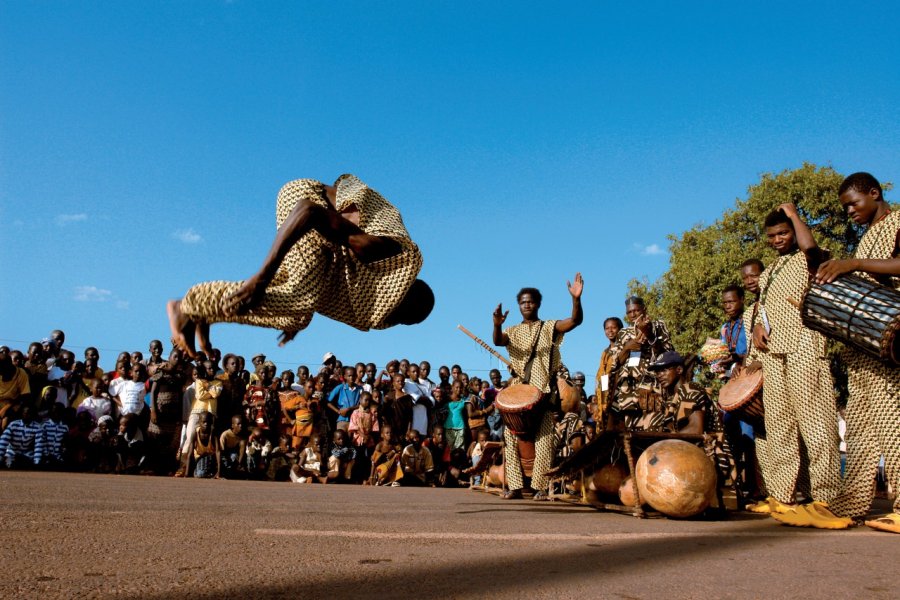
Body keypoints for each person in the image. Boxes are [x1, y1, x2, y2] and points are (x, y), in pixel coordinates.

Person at [166, 175, 434, 359]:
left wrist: (293, 306)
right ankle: (186, 306)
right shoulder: (376, 249)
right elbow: (308, 211)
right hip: (306, 200)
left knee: (296, 314)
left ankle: (203, 313)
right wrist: (262, 277)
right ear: (398, 291)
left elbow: (333, 282)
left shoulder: (368, 276)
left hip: (321, 230)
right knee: (298, 297)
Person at [774, 174, 900, 532]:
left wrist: (853, 264)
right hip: (864, 351)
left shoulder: (898, 223)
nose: (849, 211)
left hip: (891, 345)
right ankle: (849, 505)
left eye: (854, 203)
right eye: (845, 206)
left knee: (894, 425)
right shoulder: (866, 239)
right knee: (859, 431)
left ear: (875, 194)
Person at [750, 206, 841, 520]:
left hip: (804, 345)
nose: (778, 239)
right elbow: (763, 307)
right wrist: (759, 326)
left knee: (816, 425)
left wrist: (794, 214)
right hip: (773, 352)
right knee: (779, 427)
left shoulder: (809, 259)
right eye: (772, 235)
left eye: (783, 233)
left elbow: (811, 247)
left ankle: (827, 499)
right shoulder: (769, 271)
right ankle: (783, 496)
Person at [492, 274, 584, 500]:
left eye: (530, 301)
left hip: (541, 392)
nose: (526, 305)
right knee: (511, 436)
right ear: (519, 305)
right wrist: (496, 325)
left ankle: (540, 486)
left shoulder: (549, 327)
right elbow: (498, 341)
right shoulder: (512, 331)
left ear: (538, 304)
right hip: (517, 393)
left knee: (545, 439)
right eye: (523, 302)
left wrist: (576, 300)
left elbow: (574, 321)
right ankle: (514, 486)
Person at [608, 297, 674, 429]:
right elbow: (616, 363)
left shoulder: (658, 326)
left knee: (654, 430)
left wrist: (649, 335)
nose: (633, 315)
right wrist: (628, 347)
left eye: (636, 310)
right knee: (632, 434)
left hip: (652, 389)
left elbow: (668, 354)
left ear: (644, 309)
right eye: (629, 312)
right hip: (629, 392)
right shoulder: (623, 333)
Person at [593, 317, 623, 429]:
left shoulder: (625, 348)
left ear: (620, 329)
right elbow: (602, 377)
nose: (610, 331)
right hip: (606, 397)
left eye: (614, 327)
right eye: (607, 328)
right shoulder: (605, 353)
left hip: (620, 395)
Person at [0, 346, 32, 431]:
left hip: (13, 404)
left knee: (5, 423)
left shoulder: (21, 374)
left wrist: (7, 408)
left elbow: (25, 395)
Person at [328, 366, 361, 432]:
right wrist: (338, 411)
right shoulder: (340, 387)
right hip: (342, 419)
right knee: (341, 438)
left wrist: (349, 409)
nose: (351, 378)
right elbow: (328, 402)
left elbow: (362, 404)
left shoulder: (359, 389)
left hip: (355, 420)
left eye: (353, 375)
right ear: (345, 376)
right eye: (349, 376)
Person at [219, 415, 247, 479]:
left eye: (242, 424)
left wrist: (239, 464)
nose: (241, 426)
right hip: (224, 454)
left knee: (234, 455)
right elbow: (221, 451)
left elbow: (242, 450)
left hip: (234, 455)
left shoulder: (243, 436)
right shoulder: (225, 434)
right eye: (238, 424)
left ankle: (236, 469)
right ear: (232, 425)